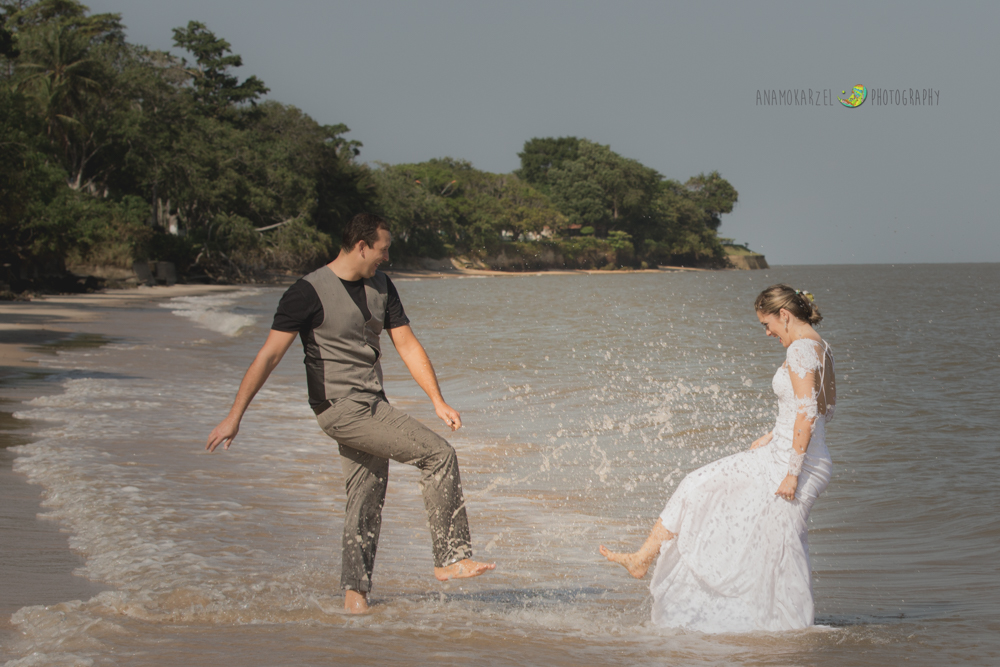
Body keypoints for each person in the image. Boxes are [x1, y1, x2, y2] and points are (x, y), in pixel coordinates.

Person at [206, 213, 494, 614]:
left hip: (373, 404)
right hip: (340, 409)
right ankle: (450, 557)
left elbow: (407, 344)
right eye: (383, 249)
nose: (386, 257)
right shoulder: (306, 292)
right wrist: (235, 415)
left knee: (366, 496)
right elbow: (269, 356)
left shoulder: (382, 286)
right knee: (438, 454)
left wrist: (437, 400)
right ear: (361, 246)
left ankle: (355, 601)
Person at [599, 284, 836, 632]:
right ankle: (643, 558)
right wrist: (774, 434)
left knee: (782, 549)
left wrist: (792, 472)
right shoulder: (820, 346)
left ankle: (792, 629)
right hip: (788, 455)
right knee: (704, 490)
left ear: (784, 315)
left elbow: (809, 413)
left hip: (792, 465)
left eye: (767, 324)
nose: (767, 332)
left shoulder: (800, 349)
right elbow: (824, 408)